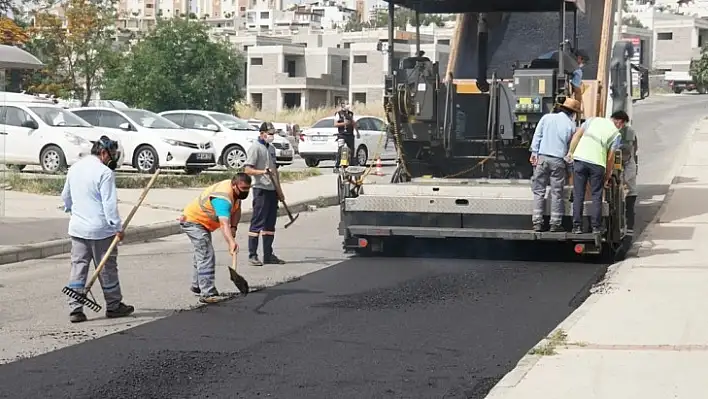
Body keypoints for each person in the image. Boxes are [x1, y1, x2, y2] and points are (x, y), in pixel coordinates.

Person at [61, 136, 133, 323]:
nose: (113, 159)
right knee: (107, 268)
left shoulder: (75, 168)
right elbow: (109, 206)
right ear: (103, 152)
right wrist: (117, 228)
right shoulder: (104, 173)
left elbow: (65, 196)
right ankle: (114, 305)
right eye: (113, 155)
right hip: (101, 230)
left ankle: (75, 308)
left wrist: (73, 212)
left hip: (77, 229)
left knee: (78, 267)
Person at [180, 173, 251, 303]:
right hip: (193, 221)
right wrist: (231, 242)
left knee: (201, 253)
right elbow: (224, 224)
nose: (246, 191)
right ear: (234, 186)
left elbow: (236, 210)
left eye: (248, 188)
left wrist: (234, 227)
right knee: (206, 254)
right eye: (243, 189)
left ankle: (197, 286)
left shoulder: (235, 193)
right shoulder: (222, 199)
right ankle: (207, 293)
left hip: (203, 222)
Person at [529, 98, 581, 232]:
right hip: (558, 161)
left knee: (538, 191)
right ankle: (555, 224)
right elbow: (571, 148)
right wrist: (570, 168)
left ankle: (537, 223)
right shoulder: (571, 126)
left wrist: (534, 152)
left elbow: (537, 136)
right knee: (557, 193)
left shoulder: (546, 118)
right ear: (573, 113)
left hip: (542, 158)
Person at [566, 114, 623, 234]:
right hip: (597, 164)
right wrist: (607, 176)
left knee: (578, 194)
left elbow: (577, 136)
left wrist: (571, 152)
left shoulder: (592, 120)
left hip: (580, 160)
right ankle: (596, 227)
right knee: (596, 196)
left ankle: (577, 227)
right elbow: (611, 157)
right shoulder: (616, 134)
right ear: (619, 122)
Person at [244, 122, 286, 266]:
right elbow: (247, 170)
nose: (271, 136)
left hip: (272, 190)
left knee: (270, 224)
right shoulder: (255, 148)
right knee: (257, 222)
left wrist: (280, 192)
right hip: (260, 189)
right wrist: (262, 172)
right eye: (269, 133)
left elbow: (275, 171)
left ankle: (268, 255)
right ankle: (252, 255)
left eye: (273, 134)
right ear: (262, 133)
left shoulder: (272, 149)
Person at [613, 111, 639, 234]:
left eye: (616, 120)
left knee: (629, 193)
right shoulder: (613, 130)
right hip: (619, 164)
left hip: (627, 165)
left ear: (622, 121)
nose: (614, 123)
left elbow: (628, 150)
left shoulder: (628, 132)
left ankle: (629, 228)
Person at [334, 101, 361, 169]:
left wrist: (357, 132)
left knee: (351, 150)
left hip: (350, 135)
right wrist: (344, 123)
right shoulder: (338, 113)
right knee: (340, 149)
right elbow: (335, 124)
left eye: (348, 104)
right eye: (346, 104)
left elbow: (353, 122)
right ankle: (337, 164)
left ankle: (351, 164)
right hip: (342, 135)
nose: (348, 106)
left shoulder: (351, 114)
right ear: (342, 105)